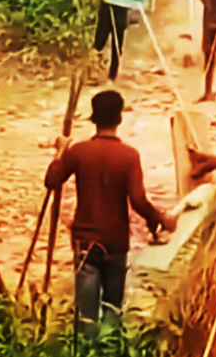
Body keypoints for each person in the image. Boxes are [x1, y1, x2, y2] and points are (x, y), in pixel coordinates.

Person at [45, 90, 177, 335]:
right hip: (116, 244)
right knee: (112, 315)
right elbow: (138, 200)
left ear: (94, 120)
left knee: (86, 322)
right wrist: (160, 219)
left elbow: (51, 180)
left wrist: (60, 152)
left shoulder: (79, 152)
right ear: (119, 119)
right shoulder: (129, 156)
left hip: (85, 244)